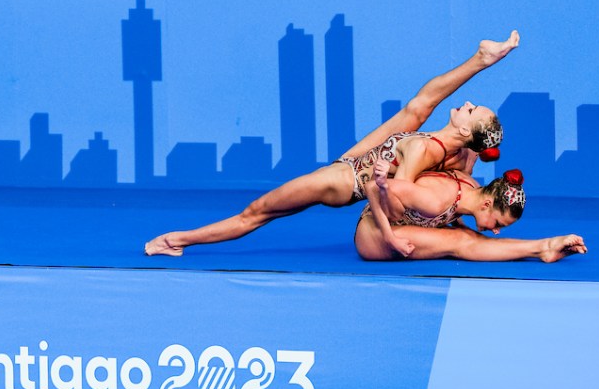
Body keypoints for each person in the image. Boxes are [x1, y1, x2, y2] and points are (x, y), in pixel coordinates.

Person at [144, 31, 519, 257]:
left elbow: (391, 202)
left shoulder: (431, 150)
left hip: (345, 181)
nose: (466, 104)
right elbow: (422, 120)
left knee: (258, 211)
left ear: (468, 132)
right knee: (416, 111)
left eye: (471, 110)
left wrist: (390, 221)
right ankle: (480, 59)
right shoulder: (460, 151)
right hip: (364, 159)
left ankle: (176, 239)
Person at [355, 168, 587, 263]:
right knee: (460, 241)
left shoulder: (470, 186)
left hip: (400, 224)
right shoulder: (435, 200)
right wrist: (390, 238)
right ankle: (543, 247)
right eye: (498, 223)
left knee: (466, 237)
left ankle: (543, 247)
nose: (496, 230)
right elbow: (372, 187)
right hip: (373, 234)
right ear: (486, 204)